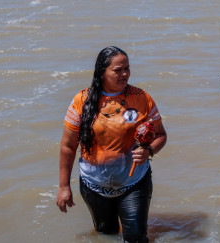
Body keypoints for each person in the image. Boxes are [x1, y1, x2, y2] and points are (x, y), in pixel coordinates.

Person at [57, 46, 167, 243]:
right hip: (94, 186)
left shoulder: (141, 97)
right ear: (102, 72)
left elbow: (161, 135)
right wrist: (64, 186)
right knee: (106, 235)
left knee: (135, 238)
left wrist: (149, 150)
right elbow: (68, 146)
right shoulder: (81, 100)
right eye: (118, 70)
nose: (125, 74)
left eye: (127, 68)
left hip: (134, 183)